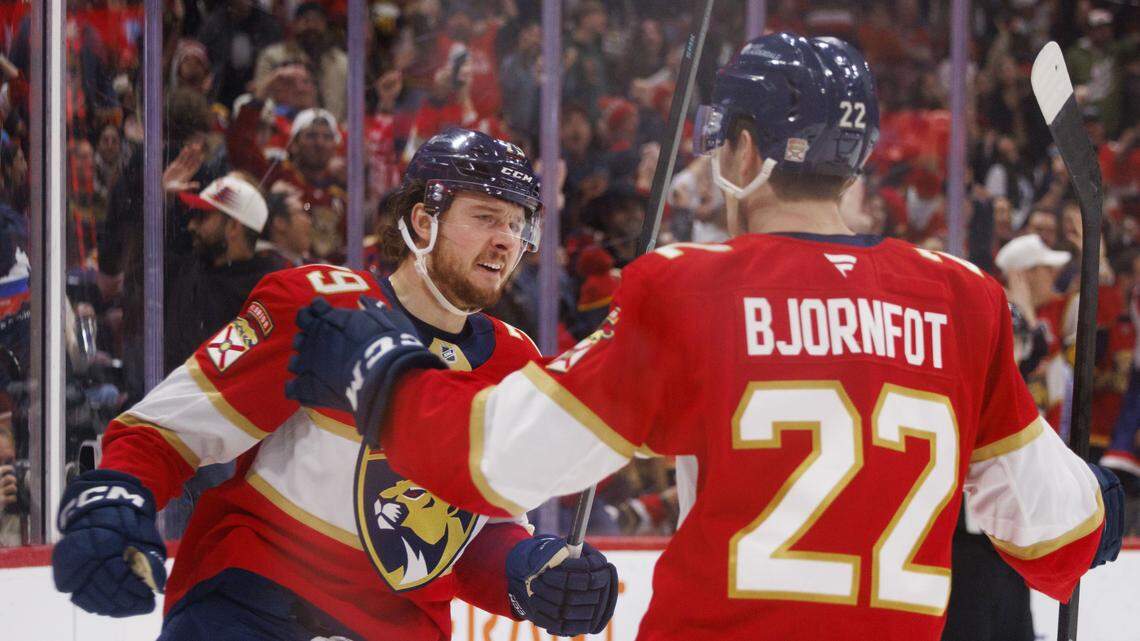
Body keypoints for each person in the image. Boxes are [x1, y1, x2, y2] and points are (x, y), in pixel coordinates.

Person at [287, 34, 1125, 641]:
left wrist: (382, 375)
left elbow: (498, 459)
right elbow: (1056, 529)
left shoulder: (692, 285)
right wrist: (1100, 507)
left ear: (748, 151)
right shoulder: (963, 298)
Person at [50, 128, 617, 641]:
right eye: (486, 217)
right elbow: (170, 430)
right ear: (424, 221)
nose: (507, 240)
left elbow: (466, 535)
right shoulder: (319, 303)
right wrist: (116, 496)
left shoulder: (516, 360)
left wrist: (528, 571)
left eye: (518, 224)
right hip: (255, 607)